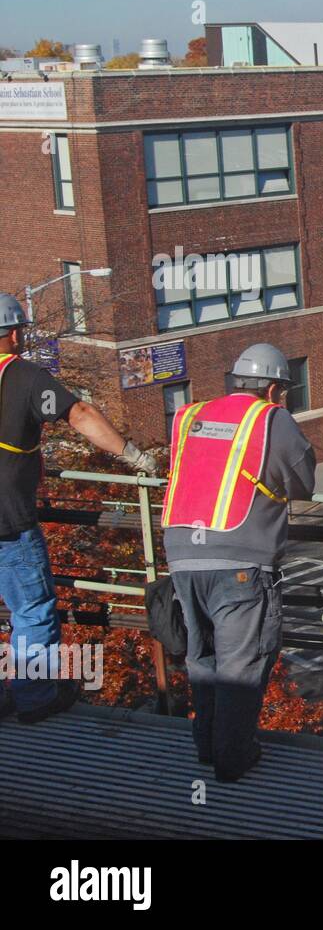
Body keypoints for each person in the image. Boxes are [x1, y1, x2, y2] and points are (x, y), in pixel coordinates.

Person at [161, 344, 316, 782]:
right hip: (240, 562)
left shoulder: (190, 416)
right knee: (241, 666)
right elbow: (303, 480)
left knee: (203, 659)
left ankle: (207, 747)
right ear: (273, 389)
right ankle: (233, 758)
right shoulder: (271, 419)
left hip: (182, 557)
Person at [0, 293, 156, 724]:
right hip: (8, 522)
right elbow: (80, 413)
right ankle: (33, 698)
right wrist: (133, 455)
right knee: (31, 609)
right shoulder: (24, 377)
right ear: (15, 334)